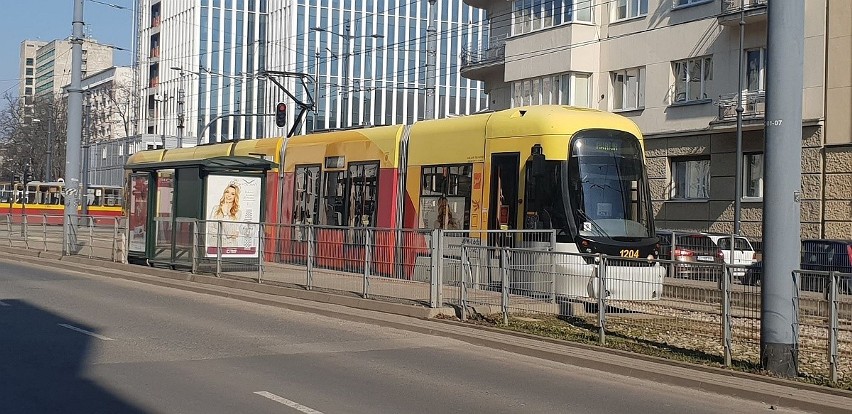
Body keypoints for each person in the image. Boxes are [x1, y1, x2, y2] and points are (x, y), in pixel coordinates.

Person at [209, 182, 242, 247]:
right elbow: (210, 229)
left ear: (235, 197)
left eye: (232, 194)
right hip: (215, 244)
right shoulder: (216, 208)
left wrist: (225, 214)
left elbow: (229, 232)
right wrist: (226, 234)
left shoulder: (238, 212)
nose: (229, 195)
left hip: (230, 246)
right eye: (227, 192)